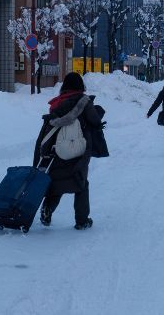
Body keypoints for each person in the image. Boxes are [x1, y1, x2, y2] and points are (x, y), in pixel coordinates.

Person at [33, 72, 103, 231]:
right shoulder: (83, 101)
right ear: (80, 86)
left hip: (57, 150)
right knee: (81, 183)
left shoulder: (56, 103)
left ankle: (47, 209)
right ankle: (82, 220)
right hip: (78, 149)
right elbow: (95, 121)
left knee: (57, 182)